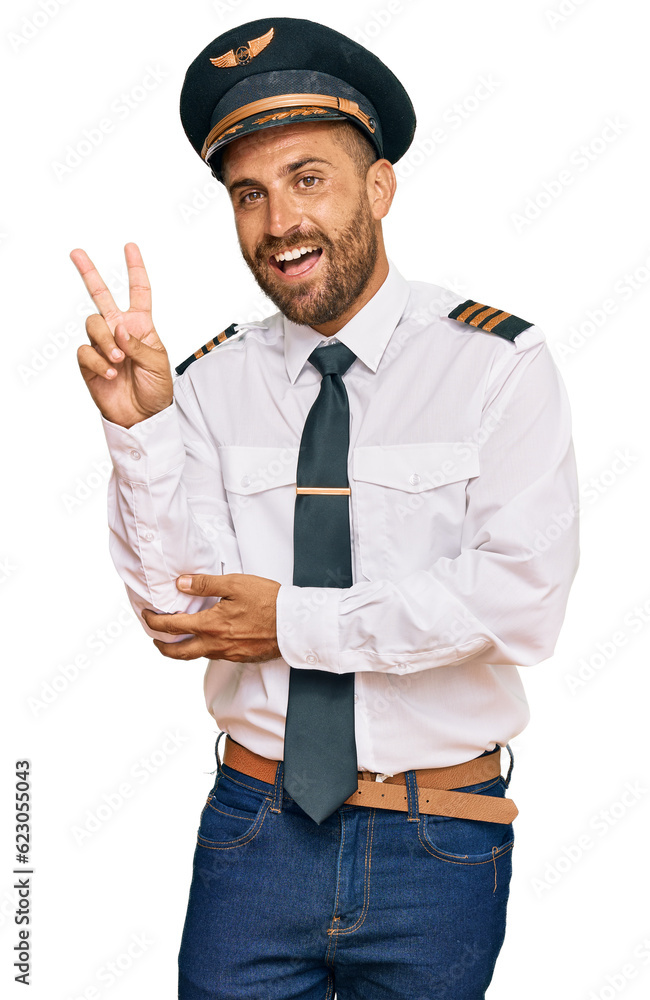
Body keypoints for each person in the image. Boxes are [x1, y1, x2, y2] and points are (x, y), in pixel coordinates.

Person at [70, 16, 579, 1000]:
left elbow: (520, 600)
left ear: (377, 188)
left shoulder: (496, 364)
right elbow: (182, 611)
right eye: (248, 194)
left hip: (441, 835)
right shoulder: (206, 381)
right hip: (254, 826)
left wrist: (292, 622)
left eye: (307, 178)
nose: (277, 224)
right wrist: (141, 433)